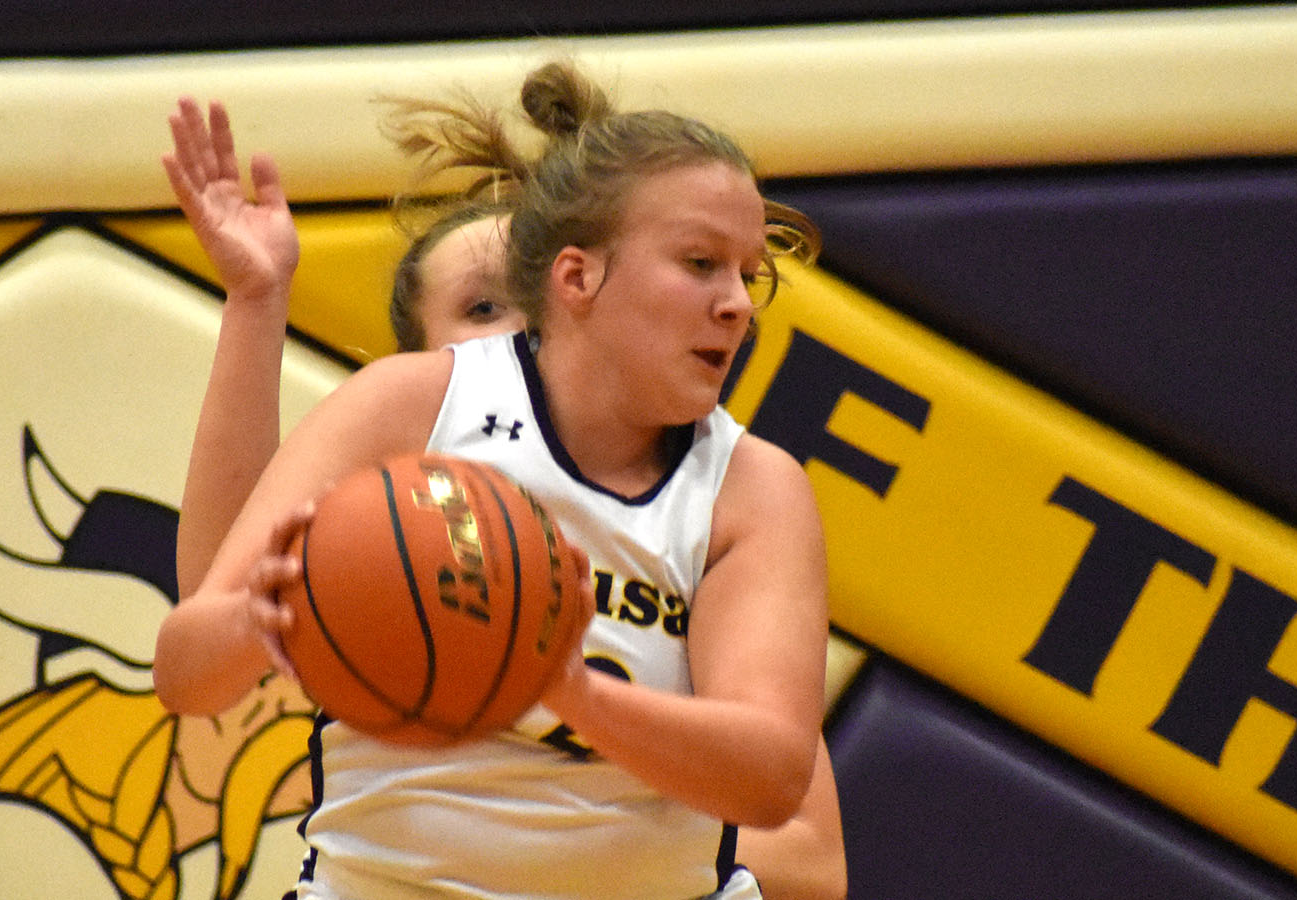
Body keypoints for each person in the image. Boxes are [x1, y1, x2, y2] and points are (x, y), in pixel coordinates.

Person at [158, 62, 834, 900]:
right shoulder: (415, 407)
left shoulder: (752, 488)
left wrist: (562, 686)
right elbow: (184, 675)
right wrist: (254, 618)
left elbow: (770, 783)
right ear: (577, 277)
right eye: (701, 263)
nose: (738, 304)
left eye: (750, 275)